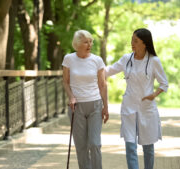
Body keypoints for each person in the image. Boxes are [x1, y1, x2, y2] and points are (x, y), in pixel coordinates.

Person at [105, 28, 168, 169]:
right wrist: (91, 68)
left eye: (136, 41)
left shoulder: (153, 61)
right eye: (132, 39)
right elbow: (108, 71)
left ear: (144, 43)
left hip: (147, 109)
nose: (132, 43)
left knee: (148, 148)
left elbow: (164, 83)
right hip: (129, 107)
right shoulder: (126, 59)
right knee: (130, 146)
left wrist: (154, 94)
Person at [62, 30, 109, 169]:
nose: (89, 44)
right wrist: (71, 97)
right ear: (77, 44)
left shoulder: (97, 60)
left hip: (95, 104)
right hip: (76, 107)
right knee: (81, 146)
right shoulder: (69, 59)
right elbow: (65, 81)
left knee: (94, 143)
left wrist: (105, 107)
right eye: (86, 42)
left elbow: (102, 84)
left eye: (91, 41)